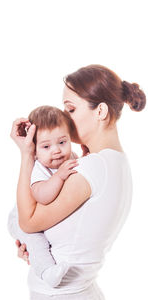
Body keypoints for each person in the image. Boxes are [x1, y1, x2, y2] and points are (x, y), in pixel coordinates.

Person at [9, 64, 146, 300]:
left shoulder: (92, 167)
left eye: (70, 109)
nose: (64, 118)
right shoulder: (111, 162)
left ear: (100, 111)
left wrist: (27, 155)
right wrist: (36, 247)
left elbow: (28, 220)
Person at [8, 105, 79, 287]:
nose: (56, 150)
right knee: (36, 241)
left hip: (33, 213)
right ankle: (48, 273)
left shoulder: (69, 156)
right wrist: (59, 176)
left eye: (62, 142)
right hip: (19, 218)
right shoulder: (38, 168)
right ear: (36, 151)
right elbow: (43, 196)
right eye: (46, 146)